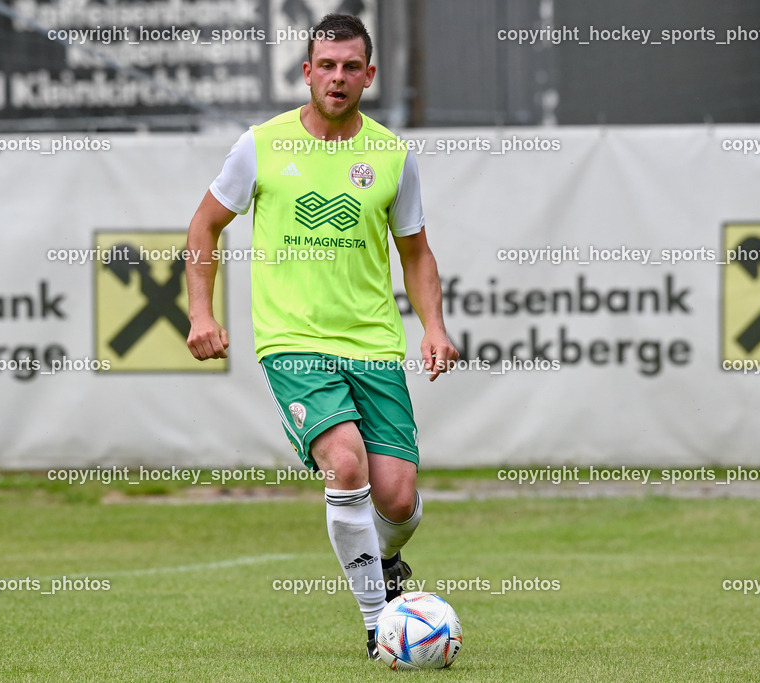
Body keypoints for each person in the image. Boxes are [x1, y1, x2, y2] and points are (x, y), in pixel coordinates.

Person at [185, 13, 458, 659]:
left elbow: (416, 253)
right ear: (307, 72)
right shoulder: (261, 145)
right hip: (294, 343)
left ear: (369, 74)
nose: (337, 77)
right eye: (325, 65)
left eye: (350, 66)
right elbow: (204, 227)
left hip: (372, 344)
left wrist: (434, 327)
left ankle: (384, 563)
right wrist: (200, 313)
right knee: (344, 463)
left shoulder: (392, 154)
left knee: (397, 498)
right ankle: (377, 625)